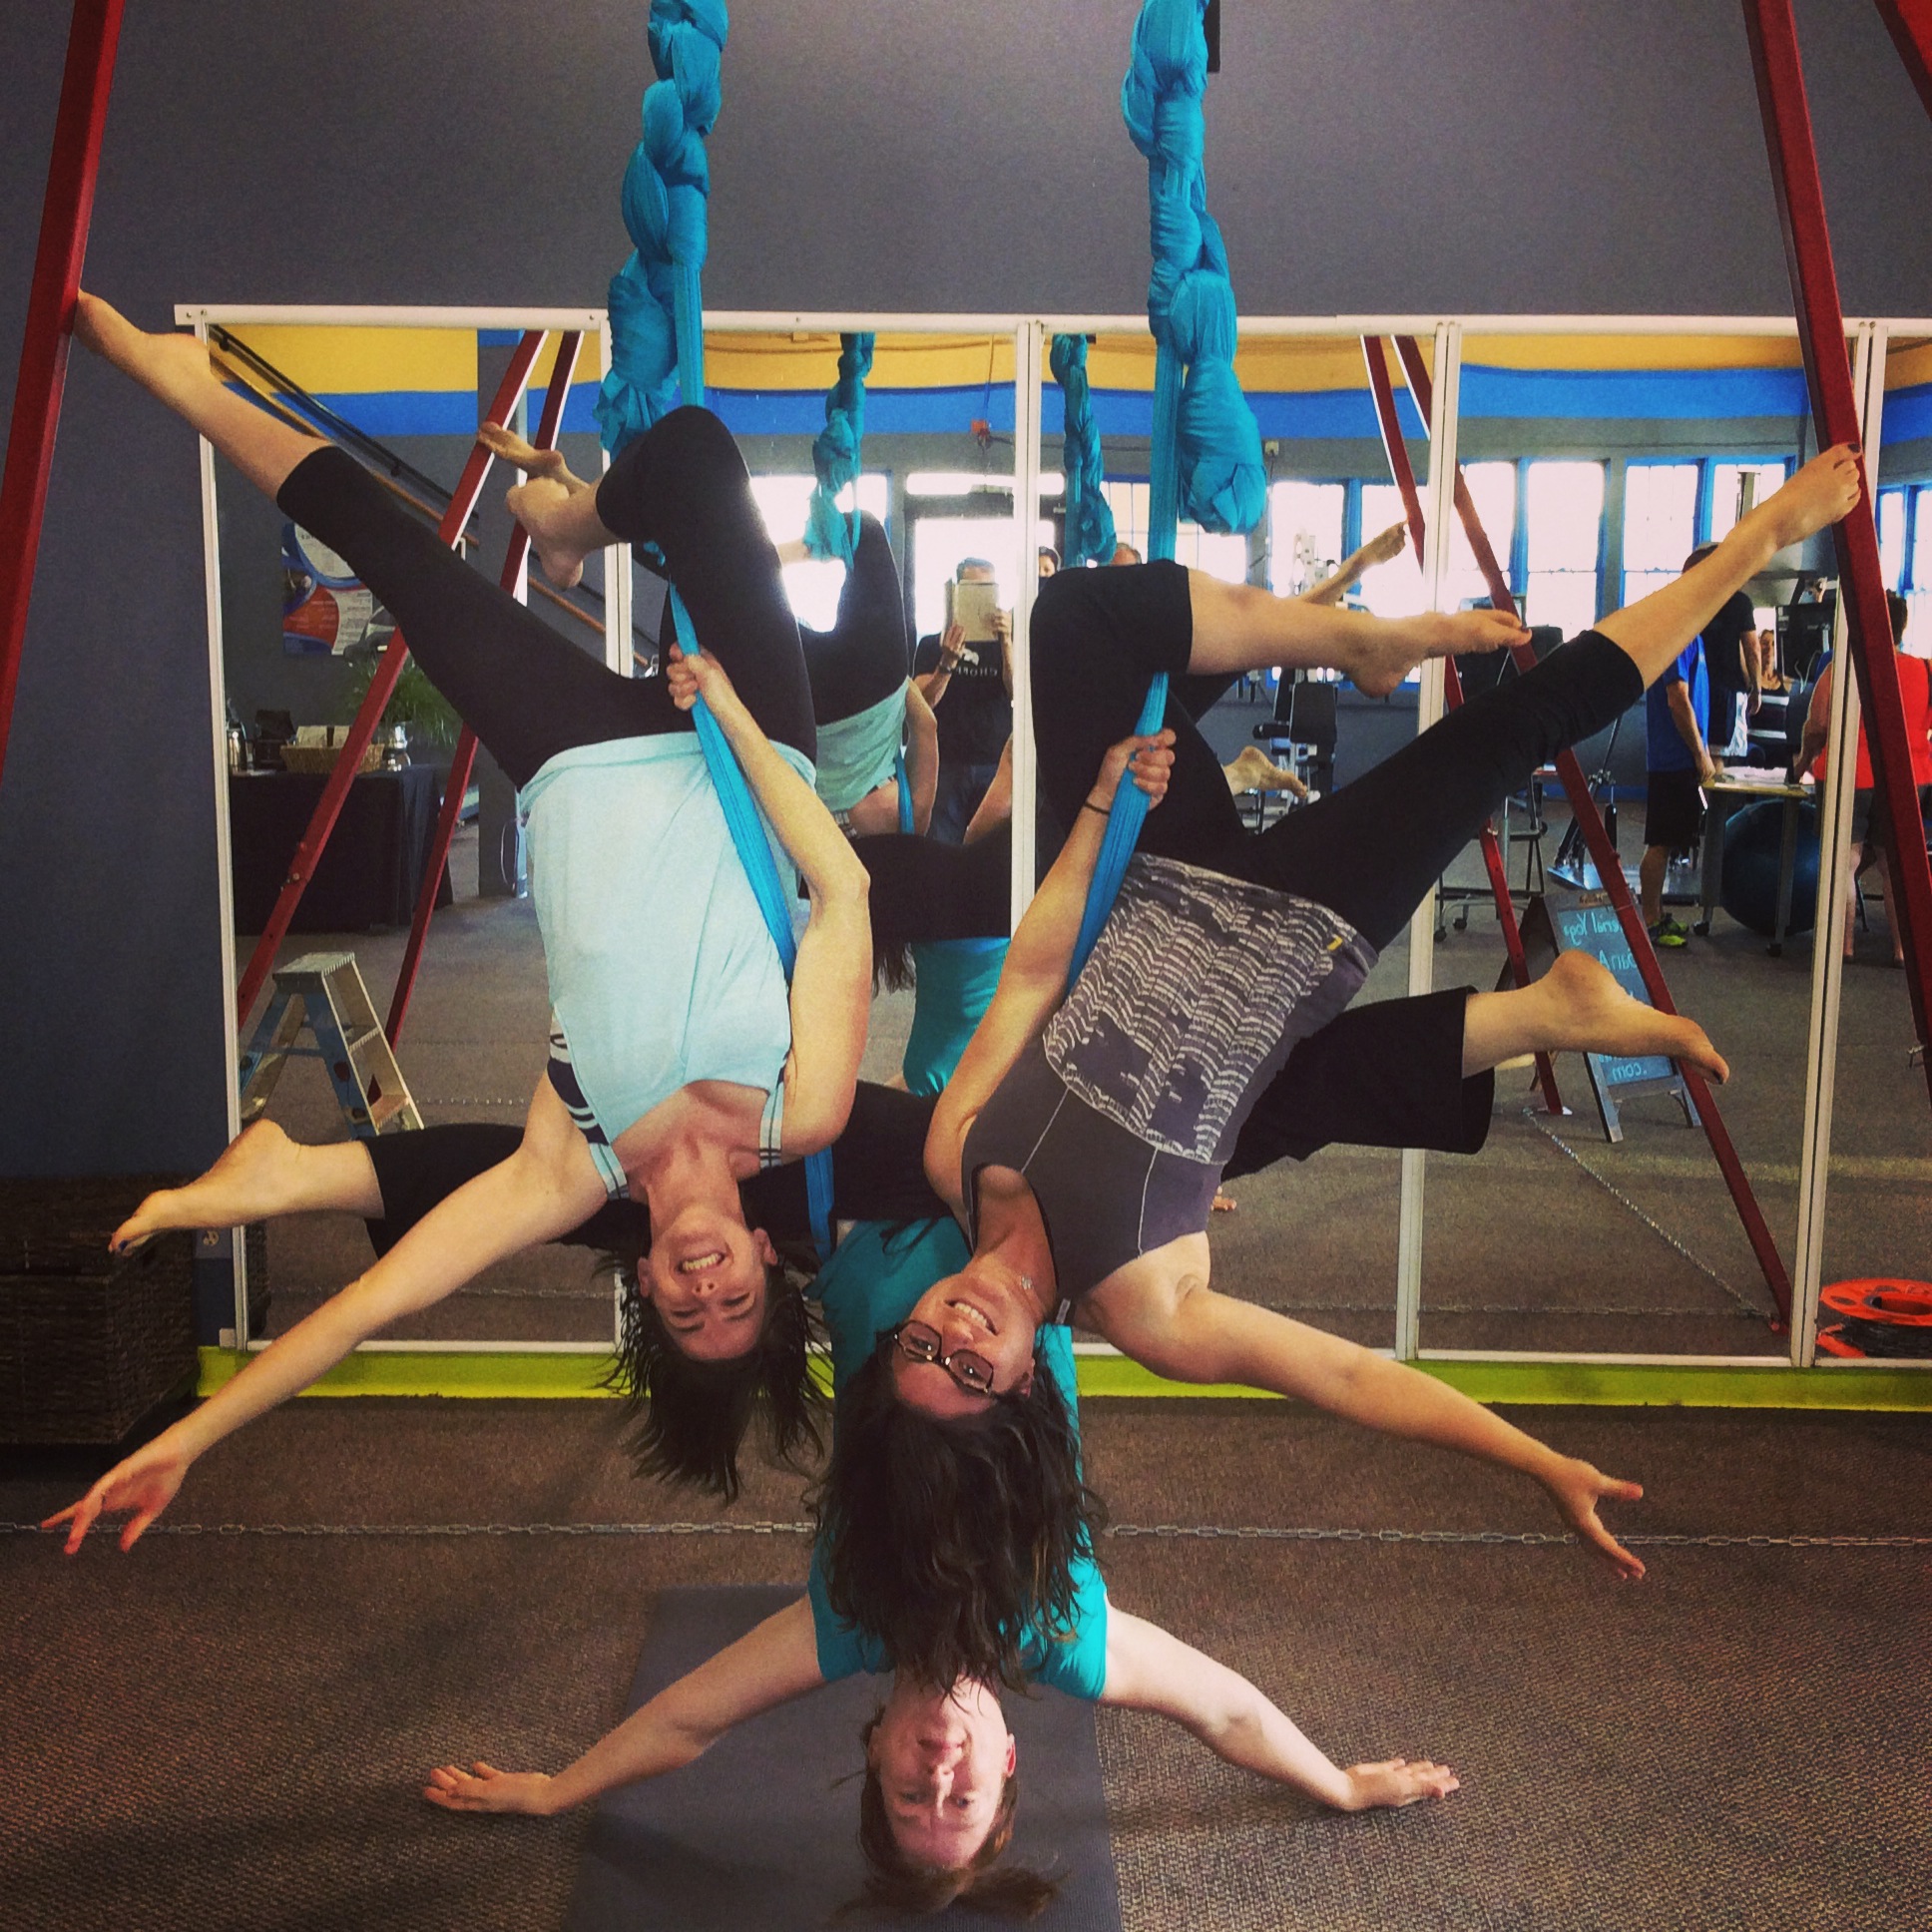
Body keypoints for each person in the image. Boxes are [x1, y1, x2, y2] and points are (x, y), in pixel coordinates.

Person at [820, 449, 1863, 1688]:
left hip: (1158, 864)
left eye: (919, 1351)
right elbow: (1349, 1378)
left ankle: (1361, 656)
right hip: (1306, 921)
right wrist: (1534, 1461)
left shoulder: (959, 1152)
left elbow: (1037, 974)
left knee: (1072, 622)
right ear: (1018, 1395)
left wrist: (1099, 806)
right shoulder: (1150, 1309)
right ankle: (1751, 542)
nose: (953, 1333)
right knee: (1510, 729)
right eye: (971, 1374)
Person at [45, 294, 872, 1547]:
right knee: (696, 450)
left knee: (391, 550)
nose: (708, 1291)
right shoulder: (798, 1110)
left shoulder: (566, 1159)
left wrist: (190, 1437)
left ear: (646, 1287)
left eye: (688, 1313)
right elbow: (843, 891)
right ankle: (563, 514)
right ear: (764, 1261)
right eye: (736, 1303)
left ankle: (169, 377)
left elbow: (372, 1303)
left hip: (576, 763)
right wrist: (731, 719)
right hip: (744, 738)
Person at [420, 1215, 1459, 1918]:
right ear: (1007, 1763)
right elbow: (1226, 1714)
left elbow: (688, 1721)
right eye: (957, 1803)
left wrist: (554, 1793)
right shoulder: (1063, 1638)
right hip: (1015, 1246)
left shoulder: (850, 1621)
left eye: (907, 1798)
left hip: (875, 1231)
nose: (936, 1776)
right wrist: (1338, 1782)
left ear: (872, 1760)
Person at [484, 422, 937, 841]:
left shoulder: (902, 834)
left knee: (863, 534)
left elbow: (927, 725)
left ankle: (579, 502)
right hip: (805, 718)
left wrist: (898, 698)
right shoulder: (834, 856)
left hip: (852, 703)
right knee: (712, 563)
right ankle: (573, 499)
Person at [1796, 590, 1932, 964]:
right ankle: (1904, 949)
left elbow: (1817, 725)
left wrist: (1804, 761)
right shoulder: (1925, 669)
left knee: (1846, 861)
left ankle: (1844, 947)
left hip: (1849, 774)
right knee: (1895, 865)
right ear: (1901, 627)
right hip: (1908, 779)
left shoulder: (1841, 668)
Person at [1641, 560, 1716, 947]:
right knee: (1662, 841)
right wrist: (1700, 753)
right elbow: (1676, 699)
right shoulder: (1678, 630)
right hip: (1674, 757)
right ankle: (1650, 921)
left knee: (1669, 841)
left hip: (1682, 757)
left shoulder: (1693, 630)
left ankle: (1654, 915)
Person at [914, 558, 1013, 842]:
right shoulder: (933, 644)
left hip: (995, 766)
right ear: (957, 594)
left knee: (991, 854)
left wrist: (1006, 643)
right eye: (972, 591)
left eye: (988, 591)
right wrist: (947, 662)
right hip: (945, 765)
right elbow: (922, 705)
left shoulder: (1010, 645)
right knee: (942, 855)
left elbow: (1018, 693)